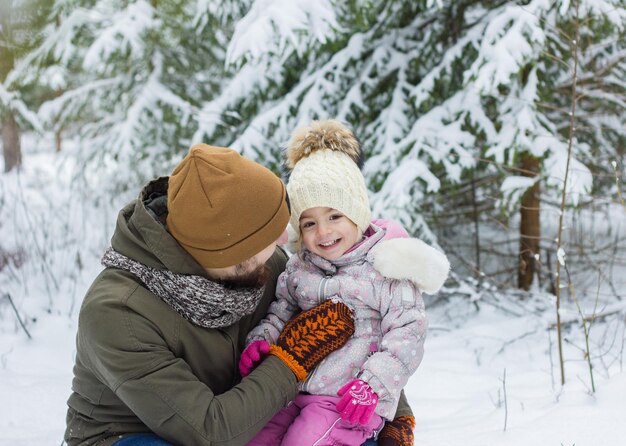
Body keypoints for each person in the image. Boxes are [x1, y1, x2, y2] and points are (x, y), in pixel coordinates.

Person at [64, 144, 360, 446]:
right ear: (229, 255)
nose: (284, 238)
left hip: (246, 418)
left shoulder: (264, 265)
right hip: (131, 434)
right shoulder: (117, 312)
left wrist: (393, 413)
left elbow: (357, 323)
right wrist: (291, 360)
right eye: (266, 233)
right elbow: (210, 433)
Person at [240, 120, 450, 446]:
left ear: (356, 211)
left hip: (350, 401)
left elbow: (408, 334)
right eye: (309, 223)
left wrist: (373, 385)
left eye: (334, 216)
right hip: (297, 390)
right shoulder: (299, 268)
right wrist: (261, 339)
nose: (323, 233)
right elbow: (280, 313)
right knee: (254, 436)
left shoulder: (387, 267)